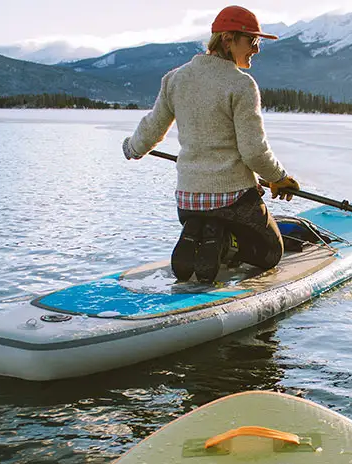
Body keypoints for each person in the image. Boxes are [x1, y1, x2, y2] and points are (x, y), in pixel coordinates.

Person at [122, 5, 300, 283]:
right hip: (234, 200)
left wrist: (132, 148)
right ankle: (224, 242)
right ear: (228, 40)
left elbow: (151, 129)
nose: (257, 49)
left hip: (188, 200)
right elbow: (253, 152)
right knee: (269, 253)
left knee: (208, 217)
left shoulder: (174, 79)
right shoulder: (241, 84)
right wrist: (279, 177)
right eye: (252, 41)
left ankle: (202, 230)